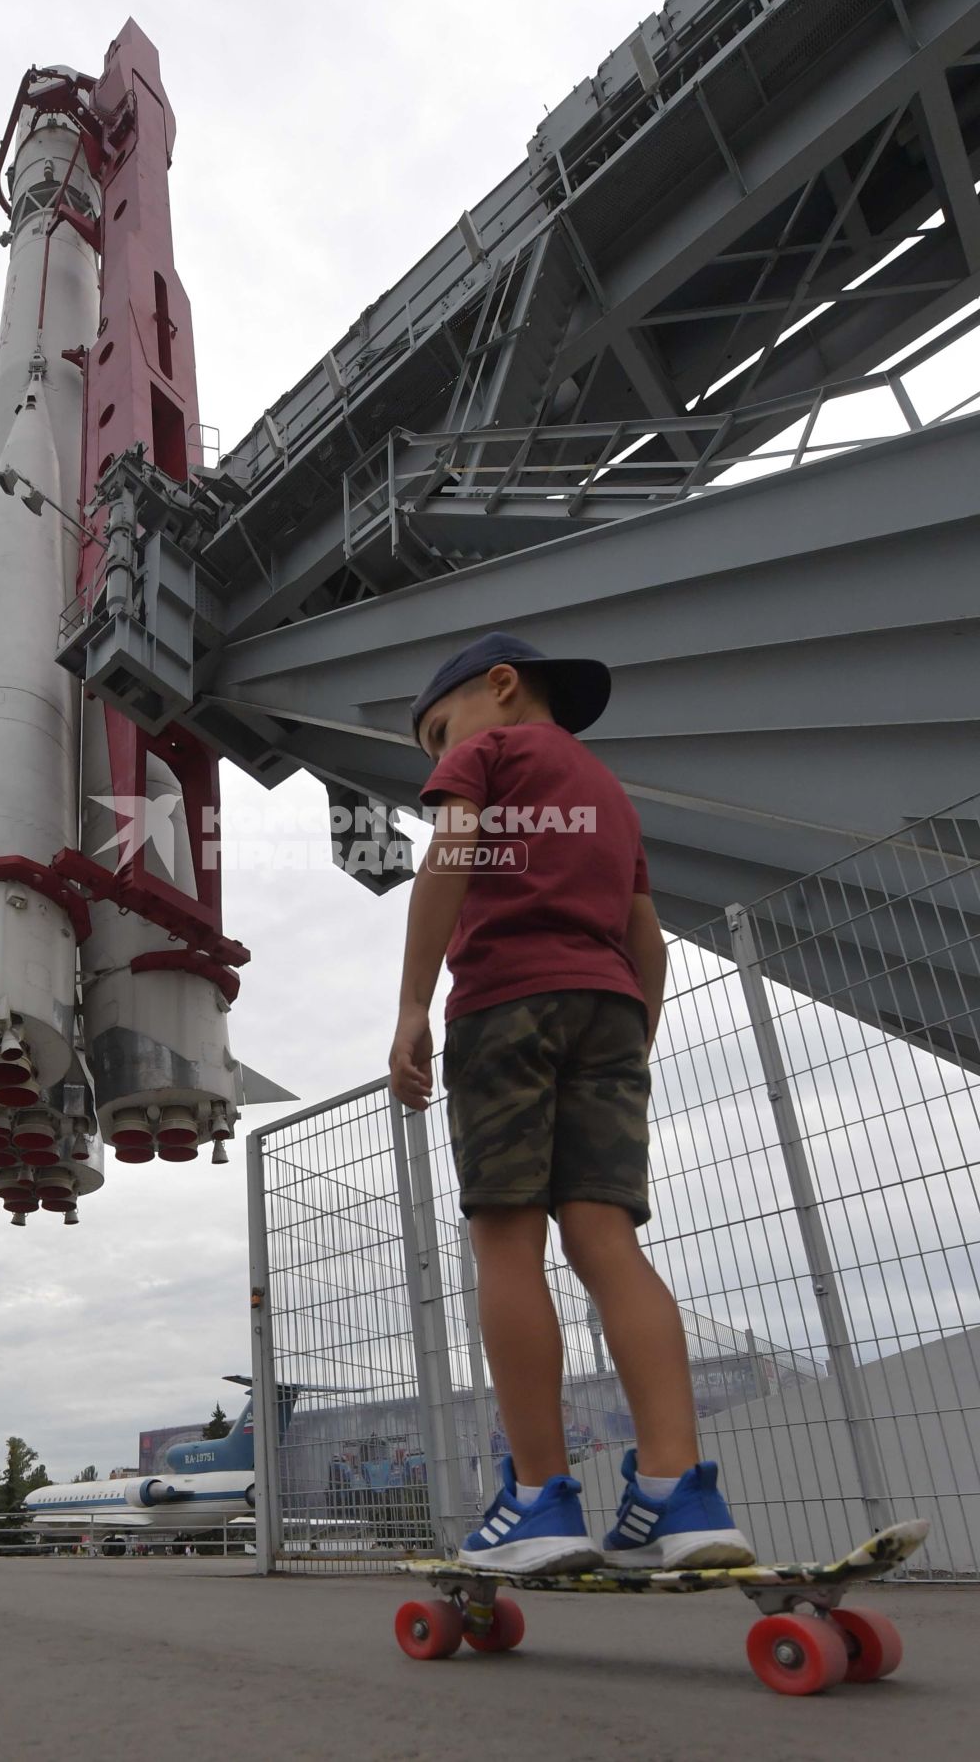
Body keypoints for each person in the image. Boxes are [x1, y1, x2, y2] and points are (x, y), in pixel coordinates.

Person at [389, 633, 755, 1575]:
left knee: (507, 1239)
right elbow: (650, 937)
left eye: (438, 730)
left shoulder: (493, 752)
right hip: (610, 1010)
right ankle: (679, 1491)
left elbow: (451, 853)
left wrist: (412, 1006)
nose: (439, 754)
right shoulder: (609, 792)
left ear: (500, 688)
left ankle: (539, 1498)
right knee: (608, 1242)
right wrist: (634, 1038)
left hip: (506, 1002)